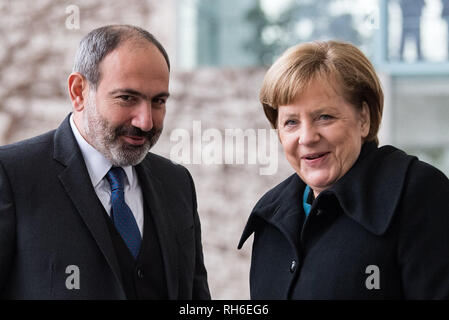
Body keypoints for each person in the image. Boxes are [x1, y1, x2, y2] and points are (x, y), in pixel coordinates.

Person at [0, 25, 210, 300]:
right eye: (127, 98)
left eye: (158, 101)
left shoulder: (177, 182)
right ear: (78, 92)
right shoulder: (12, 175)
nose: (145, 121)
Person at [238, 40, 449, 299]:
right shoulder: (270, 219)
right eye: (291, 122)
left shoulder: (418, 193)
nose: (306, 137)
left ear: (364, 118)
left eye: (324, 117)